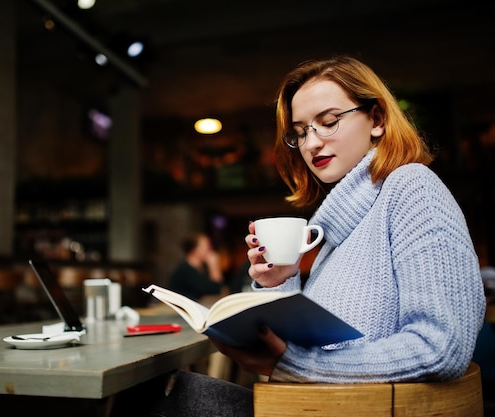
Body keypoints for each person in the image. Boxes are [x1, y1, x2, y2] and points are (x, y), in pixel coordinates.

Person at [109, 56, 485, 416]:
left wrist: (295, 363)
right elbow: (308, 347)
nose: (311, 143)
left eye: (329, 121)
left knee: (154, 398)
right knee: (152, 392)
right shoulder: (337, 232)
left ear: (377, 119)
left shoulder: (411, 186)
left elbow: (441, 346)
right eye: (301, 131)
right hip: (309, 407)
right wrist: (279, 282)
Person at [167, 232, 228, 301]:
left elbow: (222, 289)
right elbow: (214, 290)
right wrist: (214, 266)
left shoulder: (202, 269)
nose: (209, 249)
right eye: (206, 245)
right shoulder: (185, 270)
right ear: (194, 249)